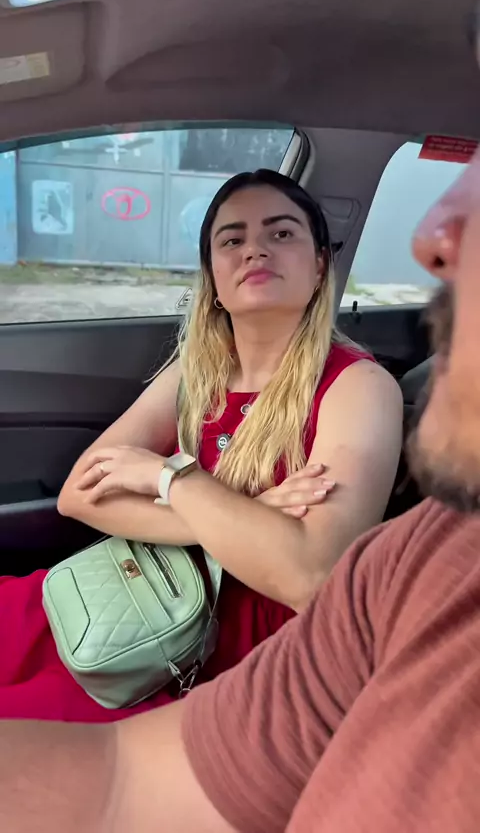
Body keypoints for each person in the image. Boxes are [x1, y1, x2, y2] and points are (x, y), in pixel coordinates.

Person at [0, 169, 402, 724]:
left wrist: (167, 479)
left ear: (318, 267)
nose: (255, 249)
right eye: (232, 240)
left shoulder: (357, 385)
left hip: (221, 650)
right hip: (136, 589)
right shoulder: (195, 374)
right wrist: (245, 516)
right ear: (213, 278)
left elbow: (310, 573)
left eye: (281, 233)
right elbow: (80, 494)